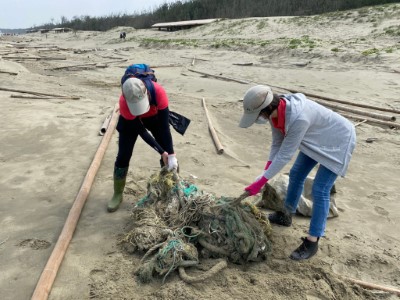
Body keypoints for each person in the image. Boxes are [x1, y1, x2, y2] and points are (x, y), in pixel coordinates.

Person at [239, 85, 356, 260]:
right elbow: (277, 144)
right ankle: (286, 214)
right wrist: (264, 172)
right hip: (315, 139)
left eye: (258, 115)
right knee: (296, 174)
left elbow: (285, 154)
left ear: (266, 109)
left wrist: (261, 181)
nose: (259, 119)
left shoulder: (298, 118)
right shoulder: (276, 114)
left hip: (338, 140)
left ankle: (312, 240)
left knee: (320, 189)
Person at [107, 77, 178, 212]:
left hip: (154, 117)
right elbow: (141, 131)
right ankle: (117, 194)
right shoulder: (124, 102)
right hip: (132, 121)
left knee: (168, 154)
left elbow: (164, 128)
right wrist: (161, 151)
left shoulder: (159, 92)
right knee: (123, 155)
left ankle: (170, 190)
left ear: (146, 93)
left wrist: (170, 154)